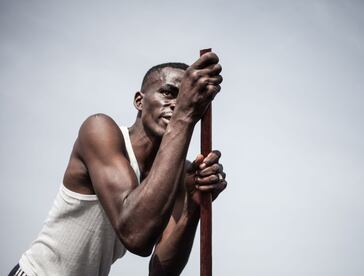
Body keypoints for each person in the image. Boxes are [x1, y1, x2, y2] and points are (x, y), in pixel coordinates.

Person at [9, 52, 227, 276]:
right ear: (139, 101)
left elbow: (161, 272)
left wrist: (192, 209)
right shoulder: (100, 131)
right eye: (168, 93)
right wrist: (184, 113)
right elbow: (135, 234)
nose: (176, 105)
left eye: (184, 99)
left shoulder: (179, 176)